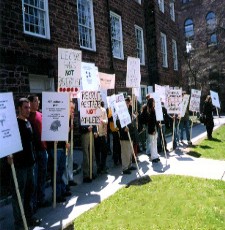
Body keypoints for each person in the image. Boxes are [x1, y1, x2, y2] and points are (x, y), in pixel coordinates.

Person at [7, 98, 41, 229]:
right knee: (18, 195)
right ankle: (19, 223)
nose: (28, 109)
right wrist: (8, 157)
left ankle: (29, 217)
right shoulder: (14, 124)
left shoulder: (28, 122)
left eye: (28, 107)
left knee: (29, 192)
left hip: (30, 163)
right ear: (19, 108)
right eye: (25, 107)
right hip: (20, 166)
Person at [27, 95, 49, 210]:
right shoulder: (28, 117)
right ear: (30, 103)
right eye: (35, 101)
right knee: (34, 180)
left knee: (42, 176)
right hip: (34, 152)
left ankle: (42, 199)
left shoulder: (41, 115)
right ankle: (34, 203)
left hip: (43, 150)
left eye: (38, 101)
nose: (37, 103)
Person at [117, 97, 136, 174]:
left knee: (129, 151)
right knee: (125, 152)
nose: (128, 104)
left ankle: (129, 165)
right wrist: (123, 128)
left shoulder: (129, 111)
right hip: (124, 135)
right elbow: (117, 122)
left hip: (130, 134)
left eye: (128, 103)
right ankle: (125, 168)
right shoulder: (120, 112)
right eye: (126, 103)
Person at [94, 101, 108, 174]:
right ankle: (98, 167)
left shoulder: (103, 110)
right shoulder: (92, 110)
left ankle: (103, 166)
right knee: (97, 152)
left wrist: (103, 121)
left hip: (102, 134)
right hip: (96, 135)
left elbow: (106, 120)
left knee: (104, 151)